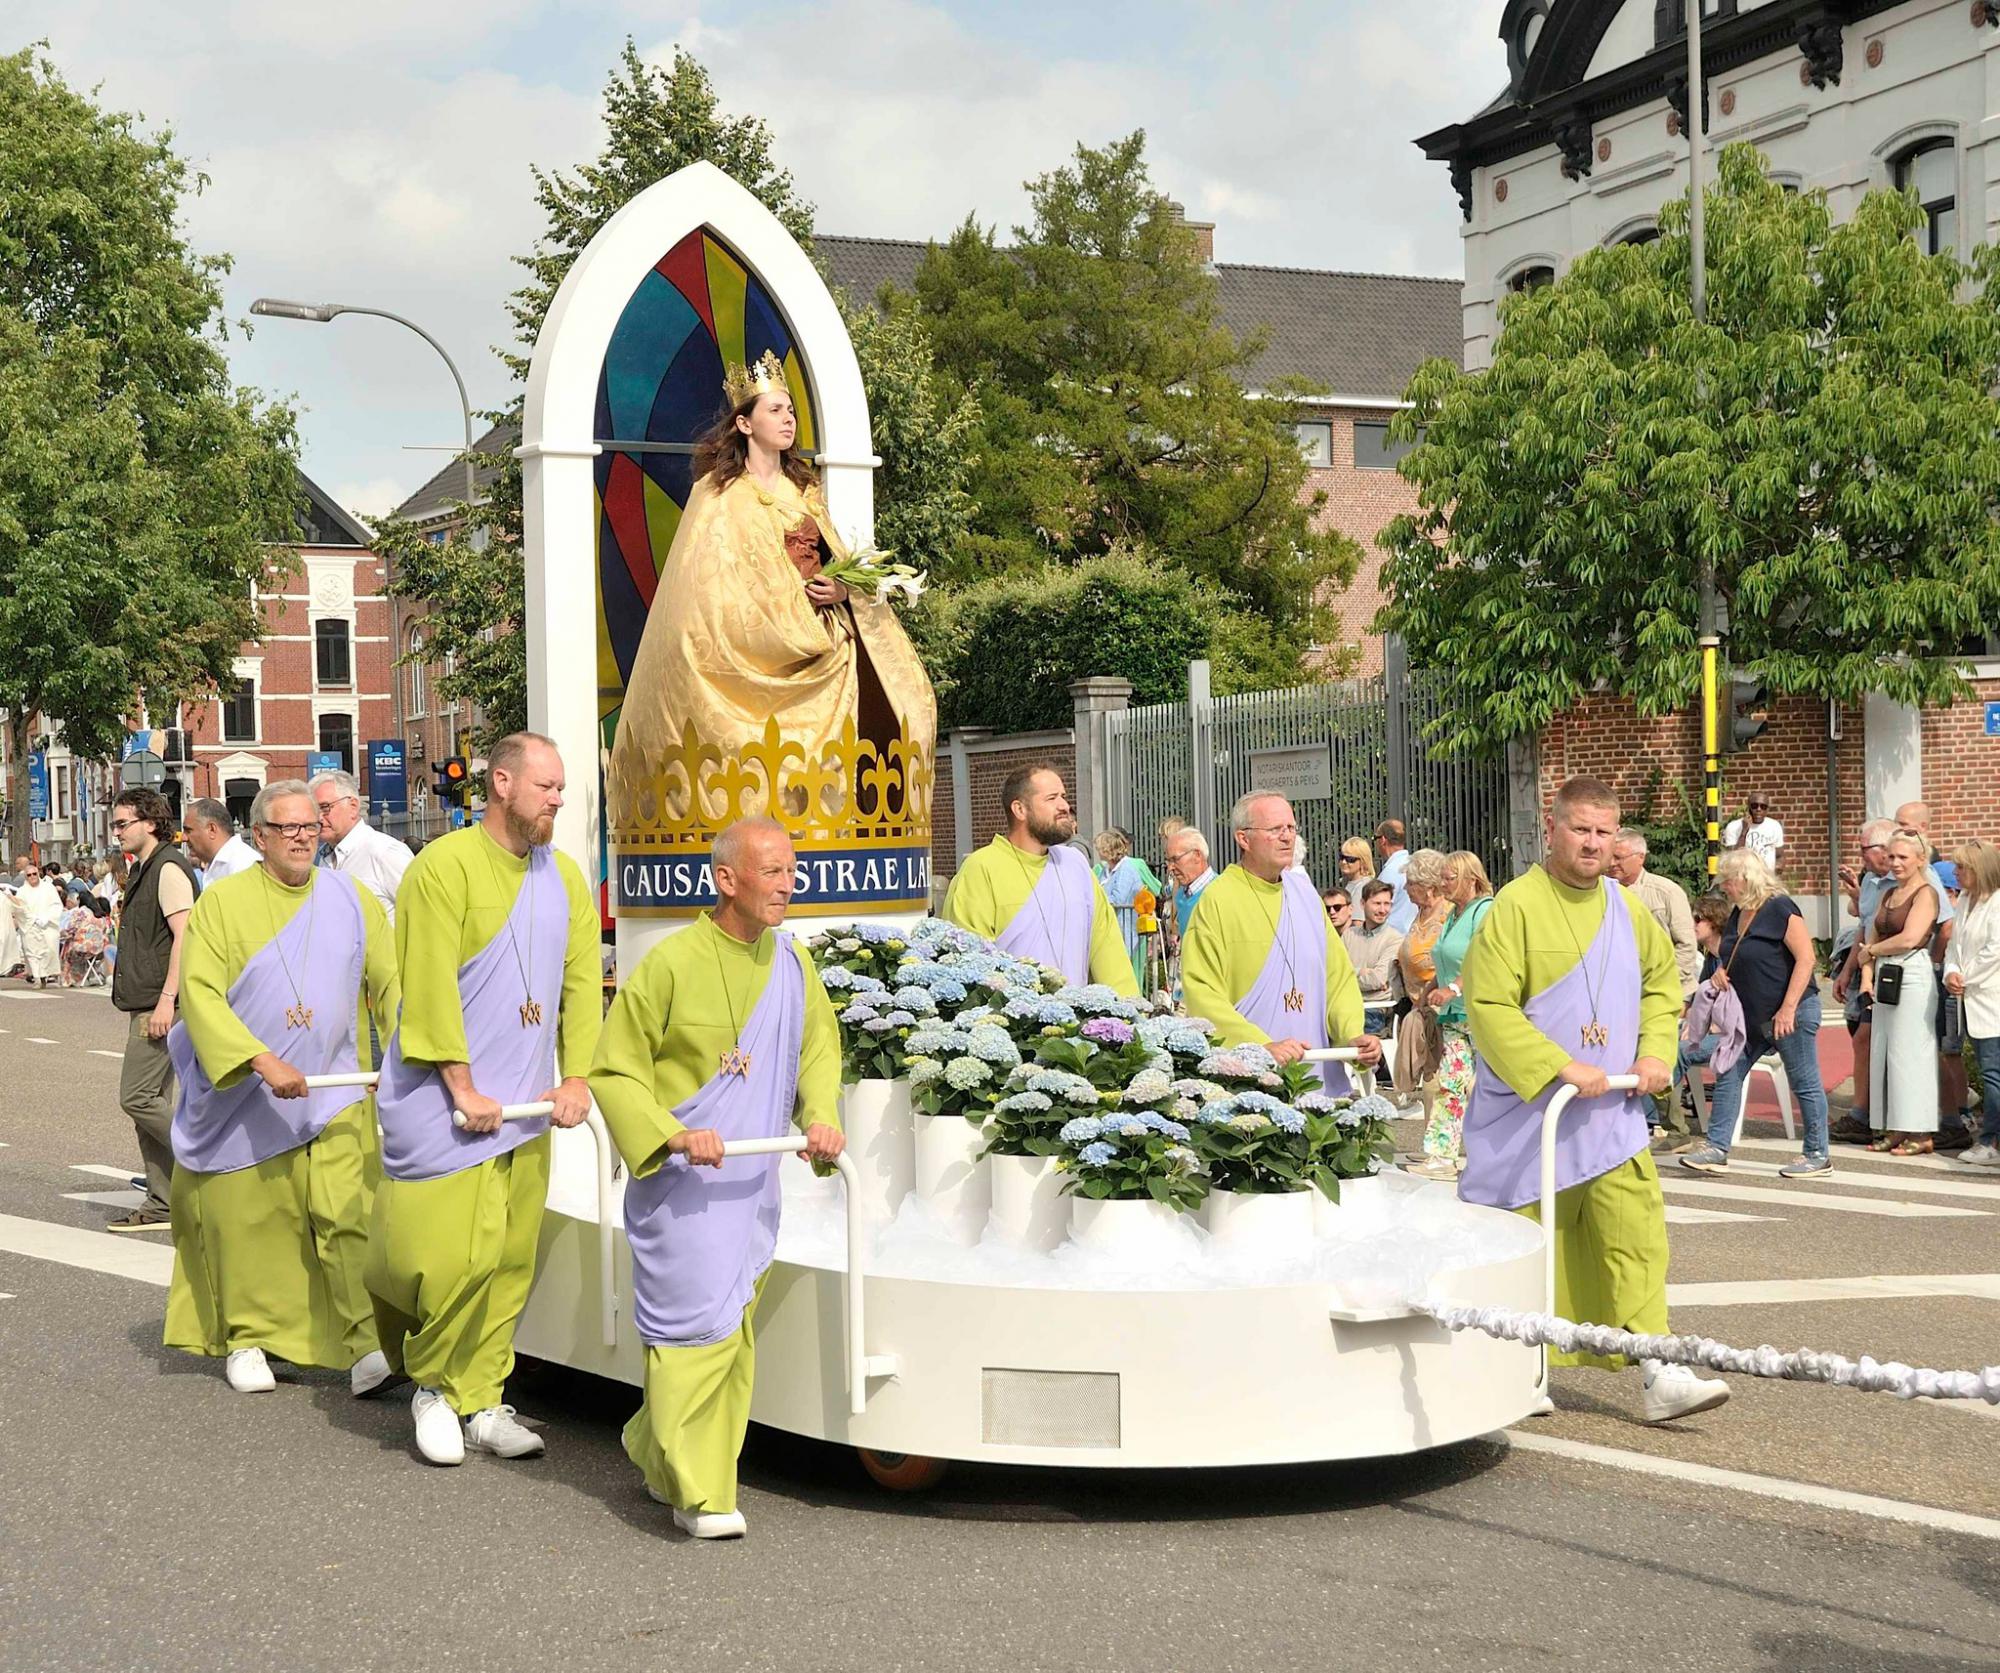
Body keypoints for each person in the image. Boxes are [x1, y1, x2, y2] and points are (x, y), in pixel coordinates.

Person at [591, 818, 843, 1539]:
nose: (787, 885)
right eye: (772, 872)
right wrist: (670, 1131)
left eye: (792, 871)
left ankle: (658, 1449)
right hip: (682, 1188)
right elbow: (615, 1068)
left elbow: (819, 1048)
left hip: (751, 1186)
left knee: (728, 1335)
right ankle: (697, 1490)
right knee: (694, 1331)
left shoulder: (794, 964)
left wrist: (820, 1114)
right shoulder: (669, 963)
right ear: (726, 879)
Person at [1459, 776, 1728, 1424]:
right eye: (1581, 828)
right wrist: (1556, 1064)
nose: (1593, 842)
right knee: (1527, 1245)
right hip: (1533, 1116)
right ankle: (1518, 1368)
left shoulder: (1628, 907)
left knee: (1634, 1235)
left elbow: (1662, 987)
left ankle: (1658, 1368)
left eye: (1604, 831)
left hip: (1611, 1110)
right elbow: (1487, 1004)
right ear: (1551, 829)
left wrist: (1657, 1053)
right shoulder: (1515, 907)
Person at [366, 733, 603, 1466]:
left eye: (562, 788)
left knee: (507, 1258)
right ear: (501, 782)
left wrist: (577, 1077)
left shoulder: (564, 875)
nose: (559, 799)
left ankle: (482, 1395)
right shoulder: (443, 866)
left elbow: (580, 986)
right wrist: (462, 1084)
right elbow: (429, 985)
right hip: (450, 1103)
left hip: (526, 1109)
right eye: (547, 787)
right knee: (447, 1259)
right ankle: (431, 1386)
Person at [606, 351, 934, 826]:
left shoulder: (805, 492)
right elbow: (705, 590)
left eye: (791, 410)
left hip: (828, 648)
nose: (789, 419)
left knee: (888, 713)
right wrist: (784, 611)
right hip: (753, 648)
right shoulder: (717, 495)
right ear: (744, 423)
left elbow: (834, 562)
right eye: (775, 410)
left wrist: (844, 593)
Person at [162, 782, 402, 1396]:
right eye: (287, 828)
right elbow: (201, 994)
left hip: (337, 1084)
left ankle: (362, 1344)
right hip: (247, 1091)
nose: (302, 836)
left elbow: (392, 984)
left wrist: (406, 1058)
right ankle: (248, 1338)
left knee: (348, 1211)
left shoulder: (353, 899)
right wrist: (260, 1061)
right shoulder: (222, 902)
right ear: (260, 837)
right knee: (254, 1222)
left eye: (311, 826)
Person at [1179, 791, 1381, 1095]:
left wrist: (1352, 1035)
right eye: (1275, 830)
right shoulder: (1217, 900)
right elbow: (1202, 993)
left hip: (1316, 1076)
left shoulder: (1307, 895)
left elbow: (1337, 979)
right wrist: (1259, 1046)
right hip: (1250, 1085)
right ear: (1243, 839)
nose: (1287, 837)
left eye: (1291, 828)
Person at [1676, 851, 1834, 1177]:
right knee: (1728, 1070)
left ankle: (1818, 1154)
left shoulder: (1779, 908)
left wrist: (1788, 1008)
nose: (1725, 888)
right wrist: (1720, 974)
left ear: (1745, 878)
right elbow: (1733, 957)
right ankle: (1717, 1147)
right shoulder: (1738, 914)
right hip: (1749, 1018)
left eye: (1728, 881)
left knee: (1803, 1080)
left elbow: (1806, 959)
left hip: (1789, 1010)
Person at [940, 764, 1137, 994]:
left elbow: (1107, 949)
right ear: (1020, 809)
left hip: (1073, 1023)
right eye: (1052, 798)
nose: (1064, 806)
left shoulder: (1075, 865)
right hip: (1010, 1024)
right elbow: (967, 964)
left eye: (1064, 797)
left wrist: (1131, 1014)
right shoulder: (980, 869)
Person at [108, 788, 199, 1232]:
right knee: (151, 1105)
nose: (118, 832)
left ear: (150, 822)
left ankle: (205, 1162)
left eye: (123, 823)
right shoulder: (147, 867)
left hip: (161, 1004)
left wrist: (167, 999)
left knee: (137, 1097)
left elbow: (185, 936)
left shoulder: (167, 868)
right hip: (148, 999)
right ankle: (163, 1201)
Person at [1607, 828, 1700, 1143]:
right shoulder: (1604, 891)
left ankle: (1676, 1128)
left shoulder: (1665, 892)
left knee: (1658, 1054)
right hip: (1619, 992)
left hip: (1662, 991)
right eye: (1612, 857)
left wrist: (1669, 989)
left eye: (1619, 858)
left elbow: (1686, 945)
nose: (1613, 864)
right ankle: (1634, 1125)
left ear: (1640, 857)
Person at [1412, 851, 1496, 1179]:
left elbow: (1481, 958)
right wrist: (1431, 989)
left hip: (1479, 1012)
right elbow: (1445, 956)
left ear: (1471, 879)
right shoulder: (1454, 914)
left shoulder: (1485, 911)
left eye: (1450, 878)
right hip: (1453, 1016)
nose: (1443, 883)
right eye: (1443, 877)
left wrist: (1454, 989)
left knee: (1486, 1087)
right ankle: (1441, 1155)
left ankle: (1491, 1155)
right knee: (1451, 1084)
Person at [1894, 801, 1973, 1148]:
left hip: (1928, 974)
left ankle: (1953, 1118)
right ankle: (1916, 1121)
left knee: (1941, 1049)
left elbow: (1945, 927)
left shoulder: (1929, 883)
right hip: (1912, 974)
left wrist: (1938, 964)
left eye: (1905, 826)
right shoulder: (1890, 884)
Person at [1857, 829, 1941, 1154]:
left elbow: (1909, 937)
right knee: (1884, 1054)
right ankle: (1894, 1127)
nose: (1895, 863)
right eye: (1891, 856)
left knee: (1911, 1054)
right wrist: (1867, 977)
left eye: (1903, 857)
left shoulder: (1927, 894)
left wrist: (1872, 954)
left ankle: (1919, 1133)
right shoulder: (1887, 894)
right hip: (1885, 974)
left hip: (1912, 972)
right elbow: (1871, 936)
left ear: (1921, 859)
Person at [1831, 820, 1898, 1143]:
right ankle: (1864, 1115)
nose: (1860, 856)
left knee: (1878, 1042)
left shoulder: (1903, 880)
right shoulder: (1870, 880)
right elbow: (1864, 924)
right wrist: (1847, 970)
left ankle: (1879, 1116)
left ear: (1884, 850)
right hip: (1870, 969)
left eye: (1864, 849)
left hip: (1894, 972)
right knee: (1862, 1037)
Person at [1943, 841, 2000, 1168]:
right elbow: (1955, 946)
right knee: (1989, 1070)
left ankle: (1989, 1139)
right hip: (1970, 996)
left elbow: (1995, 950)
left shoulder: (1997, 903)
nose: (1956, 872)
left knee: (1992, 1074)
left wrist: (1965, 977)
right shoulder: (1964, 900)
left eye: (1962, 867)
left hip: (1990, 998)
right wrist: (1952, 971)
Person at [310, 771, 414, 925]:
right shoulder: (324, 858)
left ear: (353, 806)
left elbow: (421, 914)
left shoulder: (385, 852)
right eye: (313, 810)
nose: (318, 818)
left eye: (325, 808)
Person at [1094, 827, 1163, 990]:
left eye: (1099, 848)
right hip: (1110, 928)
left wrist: (1098, 902)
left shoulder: (1127, 869)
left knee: (1126, 972)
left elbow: (1118, 898)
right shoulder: (1105, 870)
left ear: (1107, 849)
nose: (1097, 851)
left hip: (1127, 929)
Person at [1343, 879, 1404, 1039]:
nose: (1383, 910)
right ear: (1363, 904)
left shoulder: (1395, 939)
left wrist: (1349, 974)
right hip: (1346, 1006)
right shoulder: (1349, 935)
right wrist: (1361, 972)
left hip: (1375, 1010)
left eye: (1387, 904)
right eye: (1377, 903)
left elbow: (1377, 979)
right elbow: (1334, 974)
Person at [1161, 824, 1217, 951]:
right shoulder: (1182, 895)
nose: (1170, 868)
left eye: (1175, 859)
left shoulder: (1220, 894)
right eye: (1168, 861)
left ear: (1197, 855)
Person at [182, 798, 258, 889]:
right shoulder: (219, 863)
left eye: (188, 831)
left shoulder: (243, 864)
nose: (183, 838)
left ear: (212, 829)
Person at [12, 862, 63, 986]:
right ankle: (37, 977)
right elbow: (19, 909)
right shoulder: (22, 891)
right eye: (29, 875)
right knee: (32, 953)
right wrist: (31, 919)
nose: (32, 877)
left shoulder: (48, 888)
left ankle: (44, 976)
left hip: (47, 925)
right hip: (30, 927)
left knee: (48, 950)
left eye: (34, 874)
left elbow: (56, 905)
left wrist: (47, 918)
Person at [59, 885, 109, 987]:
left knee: (67, 945)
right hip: (99, 948)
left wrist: (63, 933)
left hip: (81, 948)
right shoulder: (100, 915)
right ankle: (87, 975)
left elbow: (71, 928)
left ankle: (68, 978)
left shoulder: (80, 912)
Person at [1722, 795, 1784, 870]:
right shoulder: (1734, 827)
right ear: (1748, 808)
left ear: (1767, 809)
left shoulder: (1774, 826)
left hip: (1766, 877)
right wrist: (1744, 831)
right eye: (1754, 806)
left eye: (1763, 807)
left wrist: (1777, 871)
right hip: (1743, 877)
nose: (1758, 809)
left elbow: (1779, 856)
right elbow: (1733, 858)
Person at [1375, 819, 1416, 932]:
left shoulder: (1390, 872)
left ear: (1383, 840)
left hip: (1392, 937)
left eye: (1375, 838)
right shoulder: (1414, 864)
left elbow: (1379, 909)